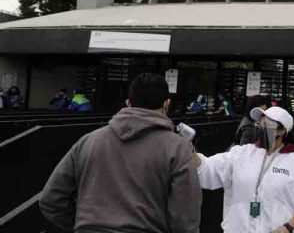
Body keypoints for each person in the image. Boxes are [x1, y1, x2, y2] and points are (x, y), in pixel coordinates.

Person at [39, 73, 201, 232]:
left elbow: (50, 200)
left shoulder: (89, 141)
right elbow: (185, 219)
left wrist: (84, 224)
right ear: (166, 104)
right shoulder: (178, 148)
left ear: (128, 103)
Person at [195, 106, 294, 233]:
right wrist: (189, 151)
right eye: (260, 123)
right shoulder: (241, 153)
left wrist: (288, 227)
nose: (262, 128)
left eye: (267, 124)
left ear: (282, 131)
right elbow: (208, 168)